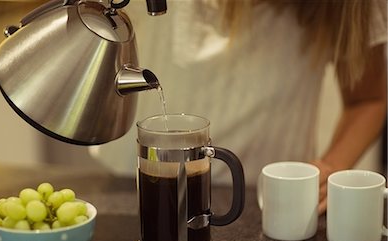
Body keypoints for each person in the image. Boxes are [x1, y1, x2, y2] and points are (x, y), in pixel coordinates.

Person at [90, 0, 387, 214]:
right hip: (131, 192)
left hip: (268, 206)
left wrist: (332, 167)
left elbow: (369, 98)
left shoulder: (347, 8)